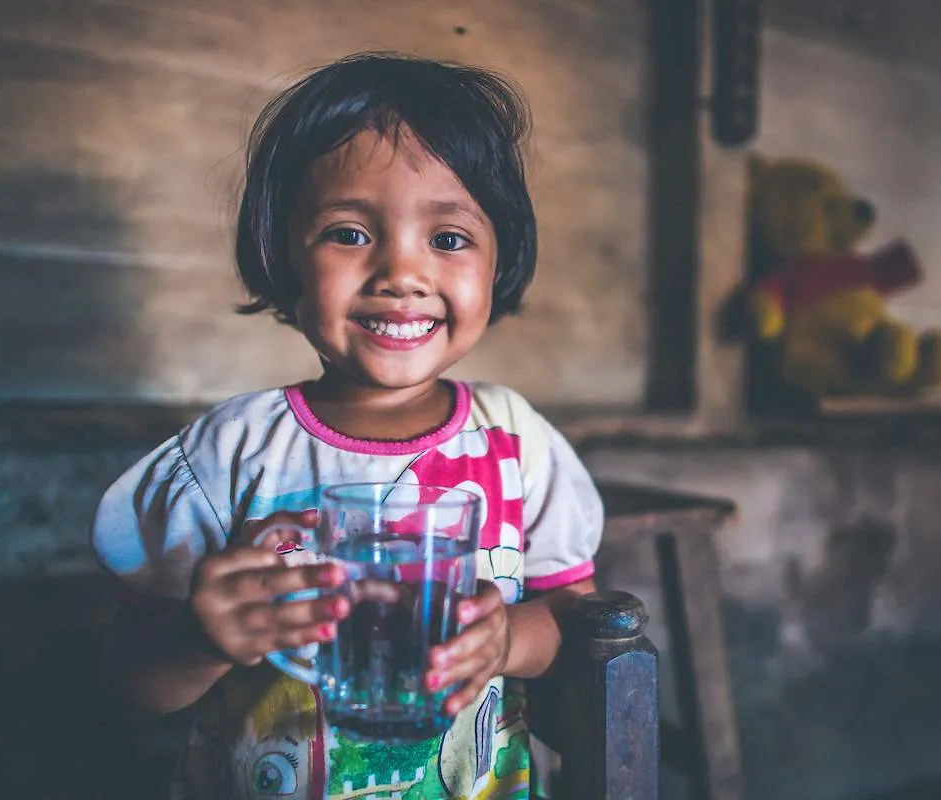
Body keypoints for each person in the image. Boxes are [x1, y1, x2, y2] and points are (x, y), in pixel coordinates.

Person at [90, 52, 603, 800]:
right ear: (282, 252)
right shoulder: (229, 453)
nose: (401, 271)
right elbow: (134, 680)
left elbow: (574, 620)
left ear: (500, 261)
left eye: (450, 238)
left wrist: (509, 641)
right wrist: (201, 640)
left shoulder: (515, 440)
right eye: (349, 233)